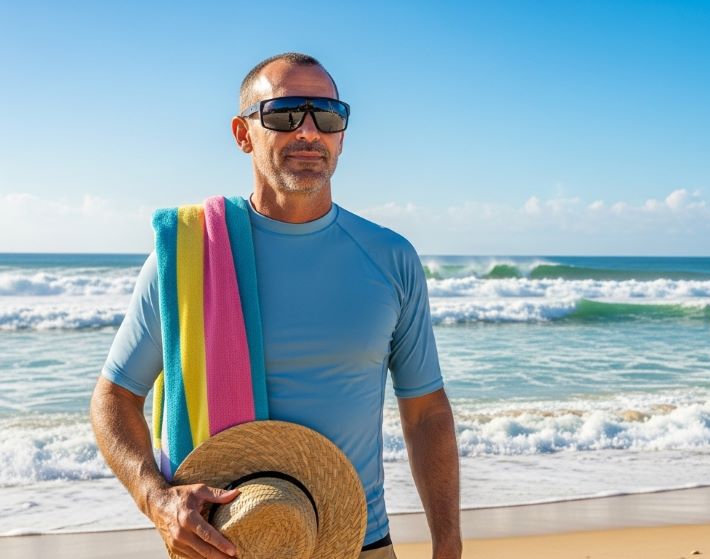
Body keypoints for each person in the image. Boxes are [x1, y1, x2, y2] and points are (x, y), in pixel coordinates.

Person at [90, 52, 462, 559]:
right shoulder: (187, 256)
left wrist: (448, 544)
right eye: (285, 114)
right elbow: (113, 398)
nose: (309, 132)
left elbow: (425, 415)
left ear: (342, 136)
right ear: (243, 134)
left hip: (361, 543)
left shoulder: (390, 257)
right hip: (226, 544)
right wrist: (156, 500)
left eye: (327, 117)